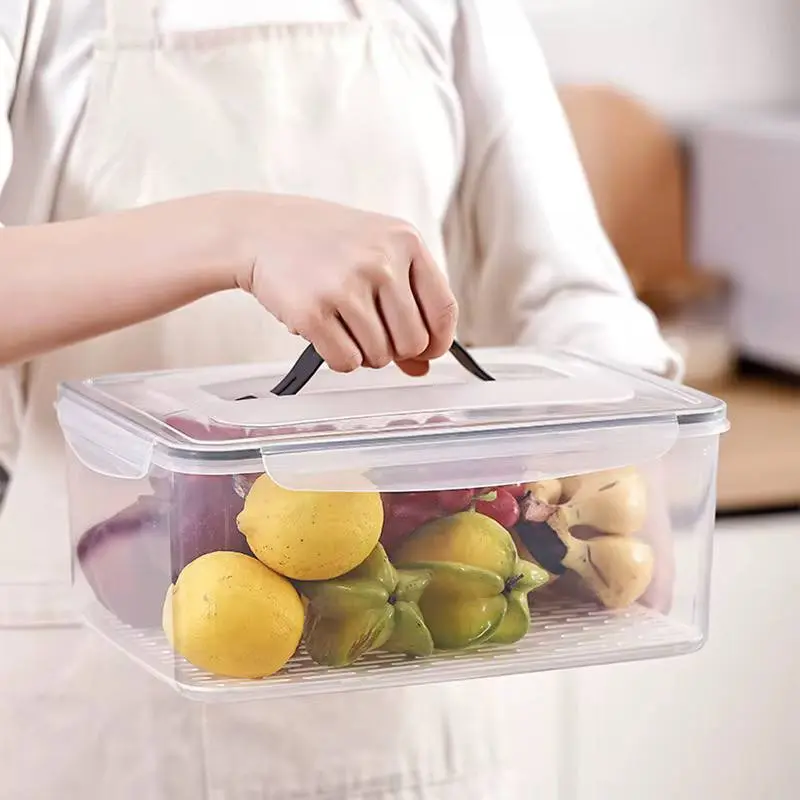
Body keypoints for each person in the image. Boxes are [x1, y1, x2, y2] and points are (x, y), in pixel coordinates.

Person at [0, 1, 683, 798]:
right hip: (108, 687)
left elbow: (567, 291)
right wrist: (238, 233)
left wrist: (628, 458)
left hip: (406, 675)